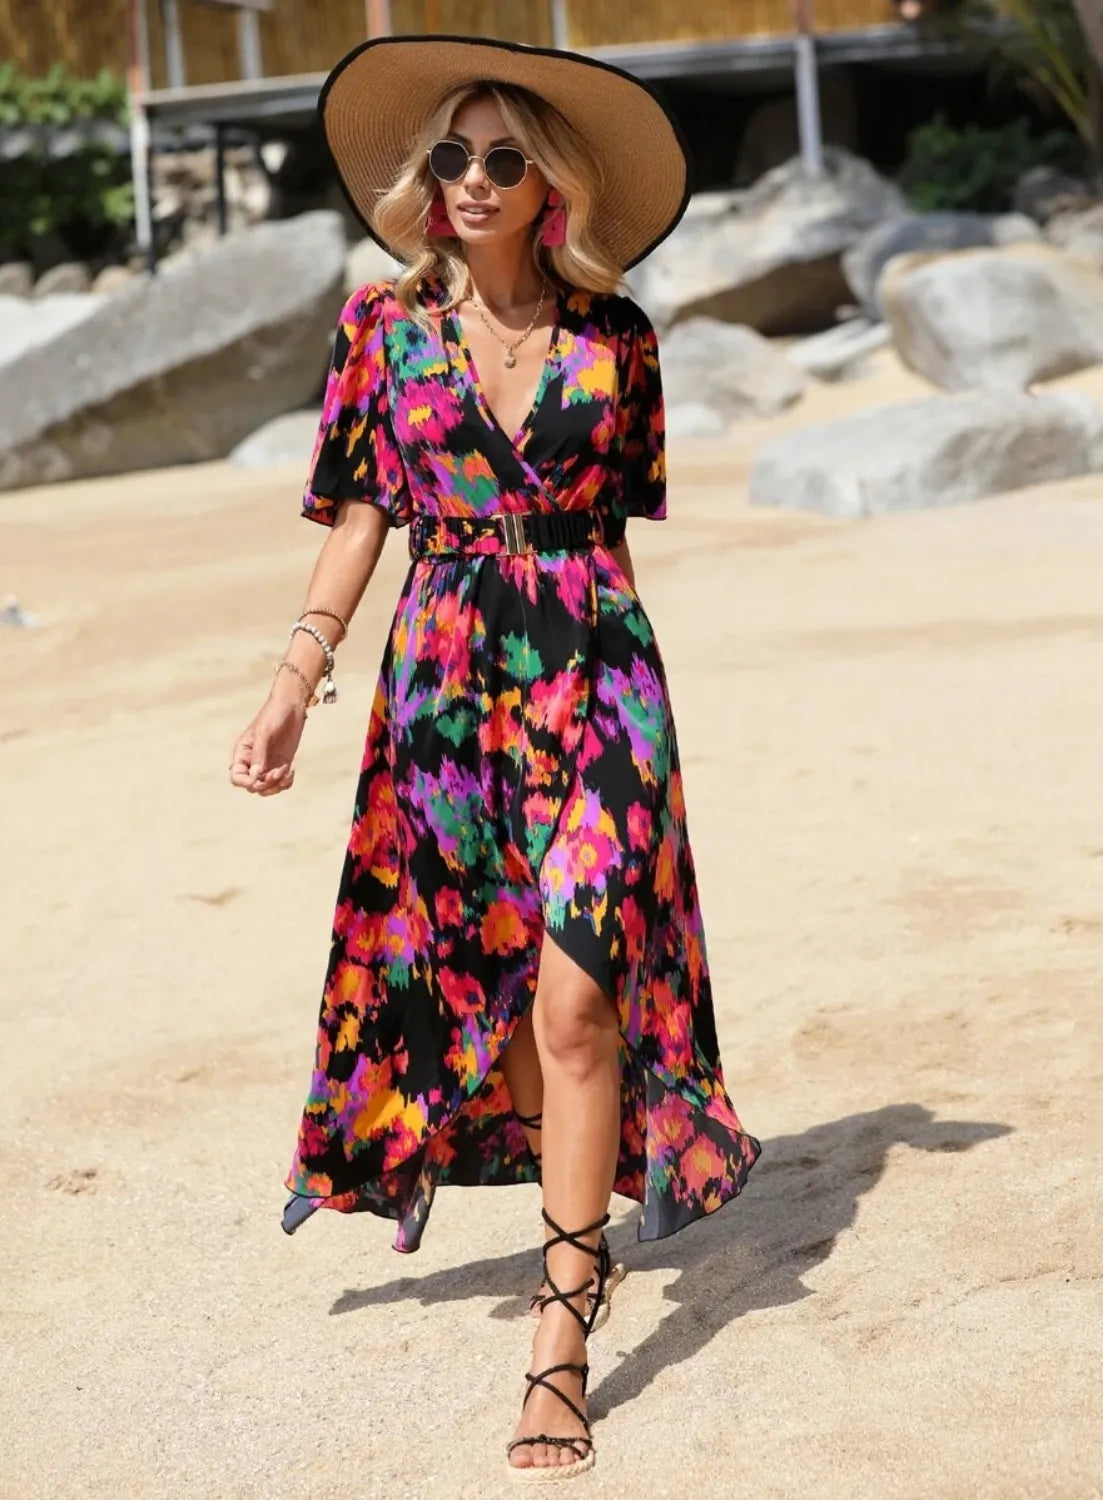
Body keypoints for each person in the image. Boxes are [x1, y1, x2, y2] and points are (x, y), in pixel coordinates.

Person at [229, 34, 761, 1483]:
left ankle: (560, 1330)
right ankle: (566, 1193)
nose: (470, 179)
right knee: (508, 1002)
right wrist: (293, 684)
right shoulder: (380, 333)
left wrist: (619, 701)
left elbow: (614, 530)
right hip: (445, 697)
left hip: (598, 675)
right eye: (452, 156)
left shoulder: (619, 338)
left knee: (580, 1000)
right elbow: (359, 520)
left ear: (551, 187)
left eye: (503, 158)